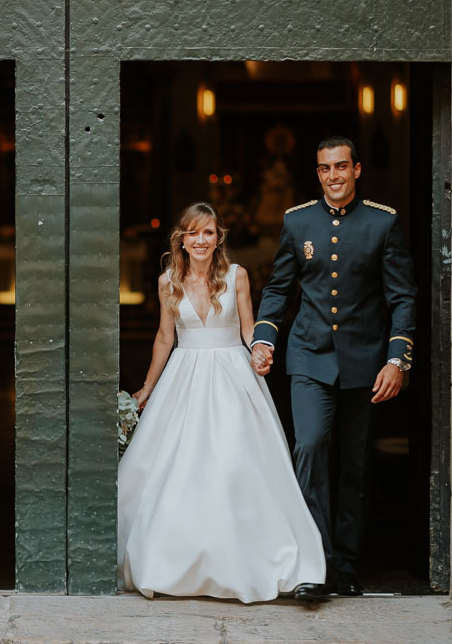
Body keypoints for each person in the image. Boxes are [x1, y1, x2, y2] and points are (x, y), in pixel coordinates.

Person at [117, 202, 325, 603]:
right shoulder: (167, 282)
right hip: (184, 376)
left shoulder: (237, 276)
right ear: (181, 239)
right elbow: (165, 338)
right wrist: (146, 387)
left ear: (218, 239)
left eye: (208, 233)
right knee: (178, 469)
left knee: (233, 465)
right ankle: (176, 562)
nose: (201, 240)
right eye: (193, 233)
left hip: (232, 376)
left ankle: (246, 561)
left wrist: (259, 353)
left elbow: (249, 330)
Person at [250, 135, 415, 600]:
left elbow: (402, 297)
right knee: (311, 446)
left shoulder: (383, 224)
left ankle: (344, 566)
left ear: (357, 170)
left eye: (341, 167)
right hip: (308, 355)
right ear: (317, 173)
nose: (334, 176)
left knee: (356, 467)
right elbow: (280, 288)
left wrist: (396, 359)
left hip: (366, 362)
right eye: (325, 169)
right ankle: (311, 563)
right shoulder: (296, 221)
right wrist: (265, 339)